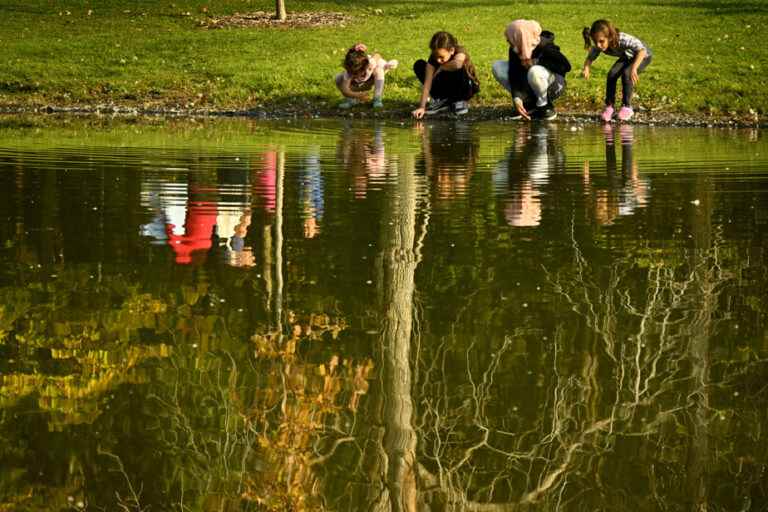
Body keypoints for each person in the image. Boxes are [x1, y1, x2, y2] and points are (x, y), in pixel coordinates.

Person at [492, 19, 571, 121]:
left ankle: (544, 106)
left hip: (553, 86)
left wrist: (536, 62)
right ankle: (527, 104)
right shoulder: (515, 48)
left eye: (510, 38)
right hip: (529, 84)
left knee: (535, 71)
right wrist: (517, 98)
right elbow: (513, 73)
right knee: (497, 66)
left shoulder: (544, 46)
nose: (508, 41)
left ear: (520, 37)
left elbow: (565, 66)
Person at [581, 19, 652, 122]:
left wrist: (634, 68)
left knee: (627, 74)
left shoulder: (622, 39)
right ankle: (610, 108)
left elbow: (642, 50)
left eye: (601, 41)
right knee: (612, 74)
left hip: (643, 56)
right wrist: (586, 68)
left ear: (609, 37)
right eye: (595, 42)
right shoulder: (598, 45)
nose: (598, 45)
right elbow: (590, 58)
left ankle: (627, 107)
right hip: (628, 55)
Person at [412, 31, 480, 118]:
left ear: (451, 50)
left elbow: (457, 64)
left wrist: (442, 68)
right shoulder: (434, 59)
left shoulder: (459, 51)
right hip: (446, 86)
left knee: (458, 68)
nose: (438, 60)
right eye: (436, 56)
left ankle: (458, 102)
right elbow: (427, 84)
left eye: (441, 57)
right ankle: (442, 100)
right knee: (419, 64)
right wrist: (422, 107)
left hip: (464, 88)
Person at [335, 43, 398, 109]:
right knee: (338, 78)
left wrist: (375, 59)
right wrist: (358, 95)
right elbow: (345, 90)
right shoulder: (349, 72)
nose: (354, 75)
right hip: (356, 86)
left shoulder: (369, 63)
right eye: (353, 73)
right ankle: (351, 100)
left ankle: (377, 99)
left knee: (379, 70)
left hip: (370, 81)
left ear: (365, 68)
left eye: (356, 73)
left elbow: (377, 55)